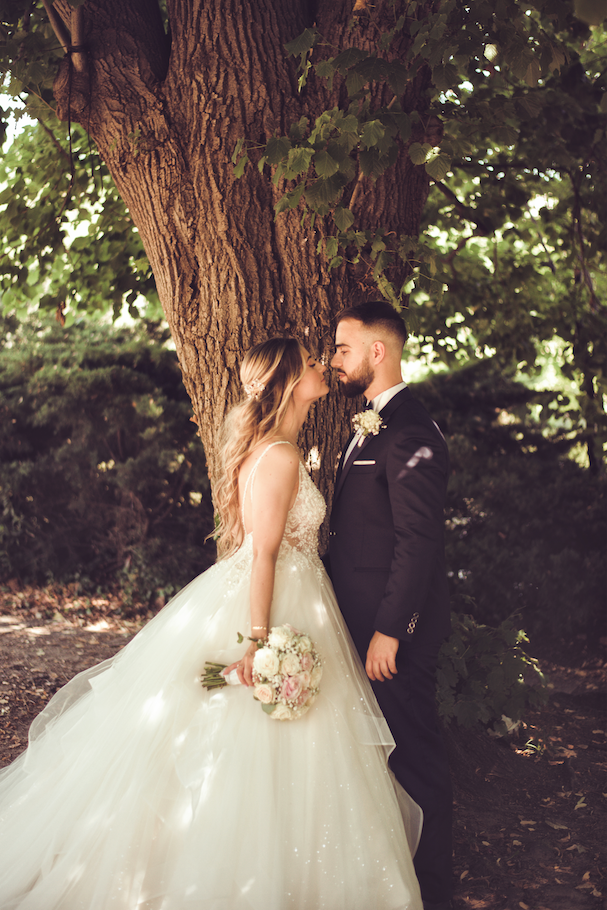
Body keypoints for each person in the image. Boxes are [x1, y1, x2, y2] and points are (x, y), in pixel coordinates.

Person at [0, 336, 423, 910]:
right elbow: (267, 553)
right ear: (290, 382)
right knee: (277, 737)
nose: (323, 368)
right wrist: (259, 641)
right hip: (277, 600)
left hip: (290, 592)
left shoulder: (276, 448)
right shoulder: (279, 455)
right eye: (310, 364)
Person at [327, 303, 453, 910]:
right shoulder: (372, 422)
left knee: (415, 755)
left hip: (392, 633)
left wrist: (390, 631)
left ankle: (435, 891)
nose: (334, 360)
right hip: (359, 624)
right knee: (380, 759)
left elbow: (418, 542)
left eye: (343, 349)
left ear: (379, 352)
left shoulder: (410, 431)